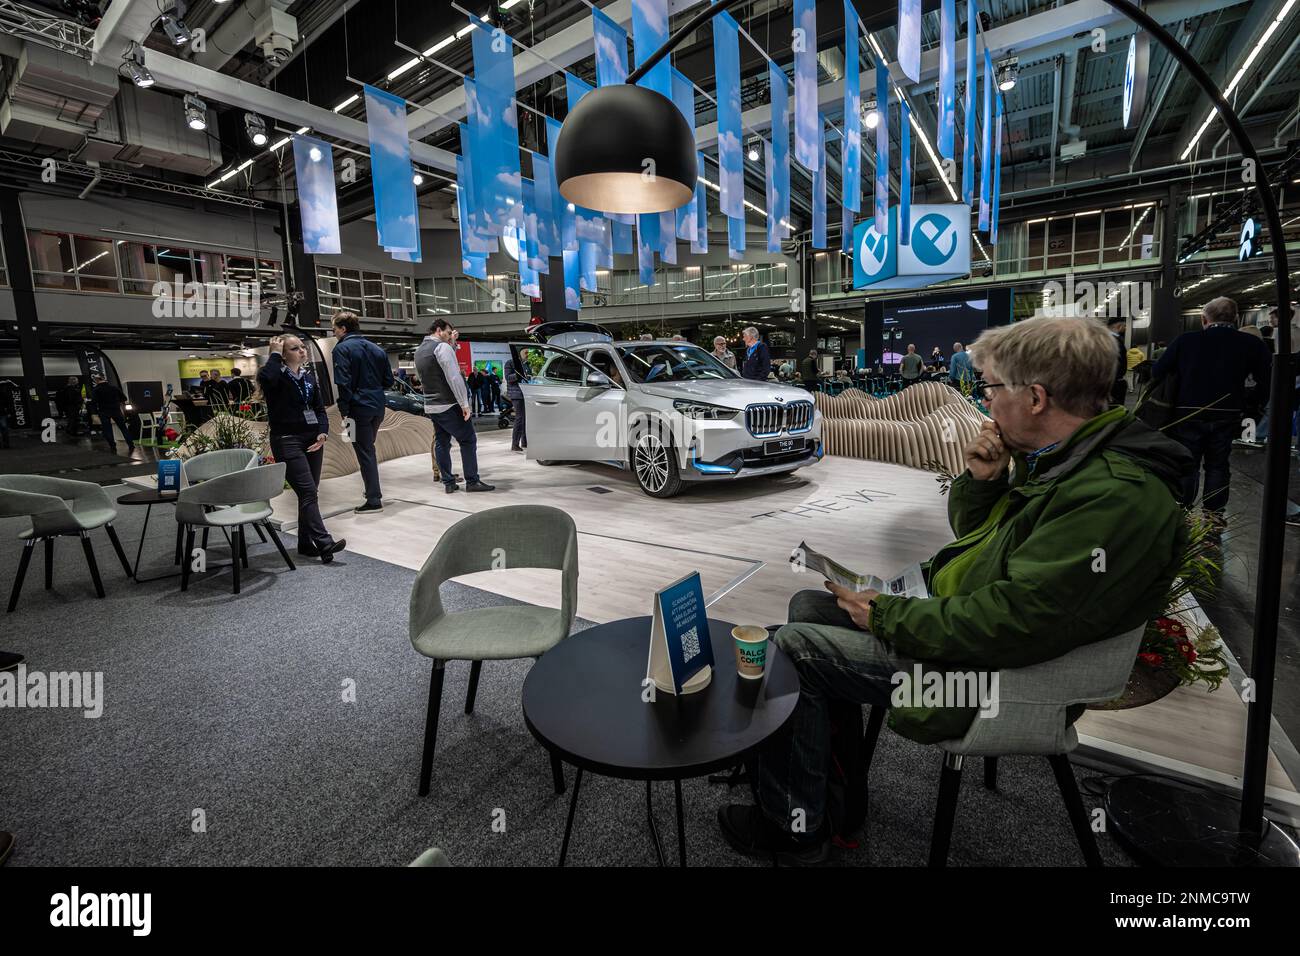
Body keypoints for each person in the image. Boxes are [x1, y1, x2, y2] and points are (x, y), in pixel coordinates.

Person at [717, 316, 1190, 864]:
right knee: (808, 606)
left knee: (791, 646)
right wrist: (983, 483)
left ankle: (793, 830)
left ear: (1035, 397)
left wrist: (890, 616)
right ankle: (830, 798)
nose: (986, 404)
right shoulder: (1069, 465)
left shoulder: (1110, 496)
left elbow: (1014, 622)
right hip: (972, 635)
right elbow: (985, 546)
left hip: (984, 680)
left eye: (991, 389)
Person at [1151, 296, 1271, 515]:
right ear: (1235, 318)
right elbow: (1266, 381)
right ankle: (1213, 514)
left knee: (1187, 463)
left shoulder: (1186, 341)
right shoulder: (1252, 344)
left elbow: (1157, 371)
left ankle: (1182, 508)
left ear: (1204, 319)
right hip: (1228, 413)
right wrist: (1250, 406)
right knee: (1218, 465)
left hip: (1188, 413)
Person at [258, 335, 346, 562]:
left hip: (313, 439)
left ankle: (306, 544)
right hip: (287, 440)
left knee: (309, 492)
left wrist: (323, 432)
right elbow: (267, 379)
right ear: (284, 354)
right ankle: (324, 543)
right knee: (307, 491)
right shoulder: (275, 375)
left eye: (302, 347)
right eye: (294, 348)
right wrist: (274, 354)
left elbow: (319, 409)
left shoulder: (307, 378)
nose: (302, 351)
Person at [416, 319, 494, 494]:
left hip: (431, 405)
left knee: (442, 442)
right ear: (439, 330)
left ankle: (448, 482)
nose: (451, 335)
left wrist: (452, 343)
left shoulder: (419, 351)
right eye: (449, 332)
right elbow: (453, 377)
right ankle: (472, 481)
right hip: (449, 404)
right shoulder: (441, 347)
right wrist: (464, 403)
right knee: (468, 440)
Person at [331, 310, 395, 514]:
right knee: (368, 449)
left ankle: (374, 499)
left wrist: (343, 409)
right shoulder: (377, 349)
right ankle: (371, 492)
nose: (334, 334)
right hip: (378, 407)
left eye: (334, 329)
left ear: (343, 328)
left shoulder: (341, 349)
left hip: (357, 409)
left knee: (364, 452)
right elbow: (389, 381)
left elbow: (343, 382)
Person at [90, 374, 134, 453]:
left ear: (97, 380)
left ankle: (113, 446)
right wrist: (116, 402)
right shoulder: (114, 388)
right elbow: (124, 398)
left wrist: (93, 413)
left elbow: (93, 403)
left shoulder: (96, 390)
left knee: (108, 430)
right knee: (123, 428)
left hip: (103, 411)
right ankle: (131, 444)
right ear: (103, 378)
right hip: (116, 410)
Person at [506, 355, 527, 452]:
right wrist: (519, 374)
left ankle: (524, 442)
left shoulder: (526, 364)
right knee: (520, 418)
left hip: (525, 394)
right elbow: (508, 378)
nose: (527, 354)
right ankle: (515, 444)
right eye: (526, 352)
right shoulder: (510, 362)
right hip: (516, 395)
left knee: (525, 418)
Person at [1106, 317, 1128, 406]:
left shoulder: (1106, 338)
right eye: (1124, 326)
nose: (1125, 328)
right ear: (1119, 326)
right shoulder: (1113, 340)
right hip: (1113, 382)